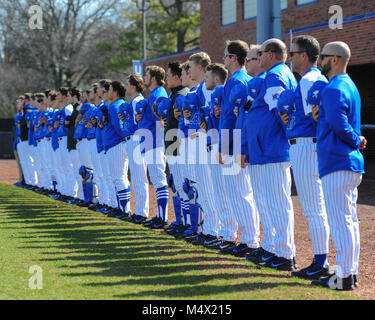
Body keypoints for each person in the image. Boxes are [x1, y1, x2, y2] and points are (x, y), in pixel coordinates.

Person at [311, 41, 366, 290]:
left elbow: (338, 122)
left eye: (323, 56)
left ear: (335, 59)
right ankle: (349, 272)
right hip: (348, 161)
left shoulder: (333, 87)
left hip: (338, 159)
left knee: (341, 220)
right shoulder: (349, 85)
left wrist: (355, 139)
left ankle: (344, 275)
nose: (319, 60)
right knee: (348, 219)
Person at [277, 35, 331, 280]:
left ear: (304, 55)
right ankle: (321, 260)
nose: (290, 57)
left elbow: (317, 118)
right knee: (314, 207)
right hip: (305, 146)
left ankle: (321, 261)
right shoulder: (310, 79)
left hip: (307, 146)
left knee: (313, 208)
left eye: (293, 53)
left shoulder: (310, 79)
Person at [244, 38, 298, 271]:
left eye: (261, 53)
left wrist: (284, 137)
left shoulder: (276, 75)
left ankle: (285, 253)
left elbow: (281, 112)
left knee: (276, 203)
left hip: (272, 150)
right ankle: (272, 247)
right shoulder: (273, 75)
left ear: (271, 54)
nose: (259, 57)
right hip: (264, 149)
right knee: (267, 203)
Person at [137, 65, 170, 227]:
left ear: (154, 78)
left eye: (147, 75)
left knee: (158, 178)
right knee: (156, 178)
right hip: (152, 140)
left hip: (156, 141)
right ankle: (160, 216)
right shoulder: (154, 94)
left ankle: (162, 218)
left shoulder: (159, 93)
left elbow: (161, 120)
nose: (144, 78)